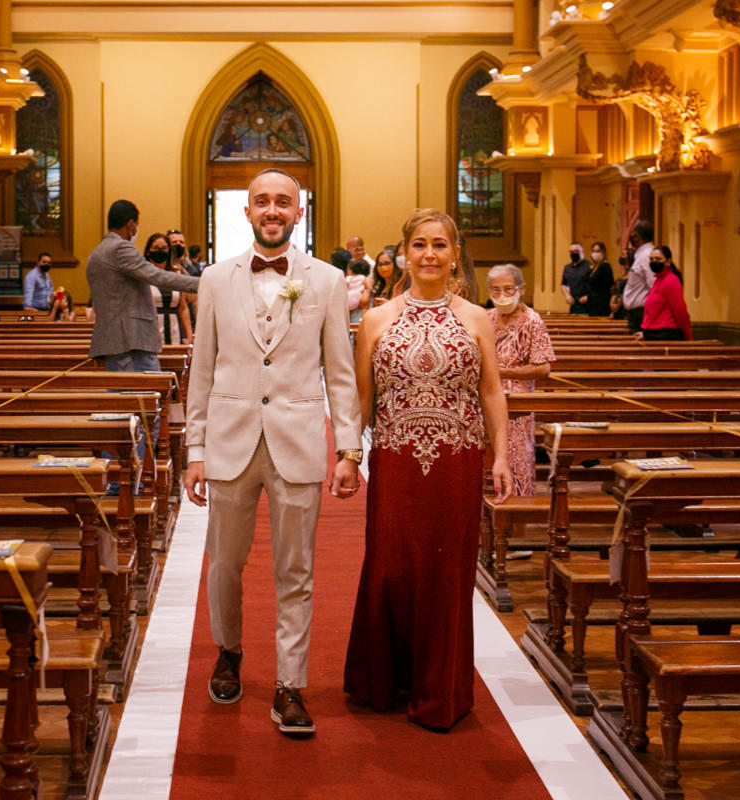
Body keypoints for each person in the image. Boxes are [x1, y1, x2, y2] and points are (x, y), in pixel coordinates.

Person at [183, 168, 361, 737]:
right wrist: (195, 448)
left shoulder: (328, 281)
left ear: (299, 212)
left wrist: (349, 449)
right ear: (247, 211)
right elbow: (202, 368)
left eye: (283, 201)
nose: (272, 209)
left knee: (297, 570)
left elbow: (340, 372)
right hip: (231, 440)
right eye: (262, 201)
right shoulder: (214, 278)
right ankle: (229, 651)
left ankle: (290, 685)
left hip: (298, 439)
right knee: (225, 565)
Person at [344, 208, 513, 731]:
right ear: (404, 253)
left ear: (455, 254)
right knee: (392, 567)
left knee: (446, 572)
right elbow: (360, 400)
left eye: (440, 244)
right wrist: (349, 456)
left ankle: (438, 688)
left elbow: (491, 390)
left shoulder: (476, 318)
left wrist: (501, 453)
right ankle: (385, 678)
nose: (430, 254)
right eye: (420, 244)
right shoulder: (376, 319)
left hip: (457, 461)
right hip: (395, 459)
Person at [87, 200, 199, 372]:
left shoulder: (97, 252)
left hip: (115, 342)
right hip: (132, 343)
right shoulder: (120, 248)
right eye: (136, 225)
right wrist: (204, 282)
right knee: (142, 395)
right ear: (131, 225)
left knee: (124, 396)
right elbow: (158, 276)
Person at [485, 263, 555, 496]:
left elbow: (543, 367)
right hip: (486, 400)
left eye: (507, 289)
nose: (502, 296)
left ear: (520, 289)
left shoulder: (532, 321)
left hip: (518, 403)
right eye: (496, 290)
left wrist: (504, 372)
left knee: (516, 460)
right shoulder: (487, 318)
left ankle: (515, 515)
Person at [144, 232, 193, 344]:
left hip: (174, 331)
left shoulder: (176, 275)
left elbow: (183, 308)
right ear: (148, 251)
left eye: (164, 248)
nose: (160, 251)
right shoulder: (143, 275)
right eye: (156, 248)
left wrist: (189, 335)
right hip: (149, 332)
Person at [636, 245, 690, 341]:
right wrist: (646, 333)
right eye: (651, 259)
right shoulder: (658, 280)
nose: (654, 262)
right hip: (653, 334)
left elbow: (679, 310)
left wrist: (687, 334)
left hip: (666, 335)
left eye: (658, 259)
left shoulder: (671, 280)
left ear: (668, 261)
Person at [622, 220, 655, 333]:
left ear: (638, 235)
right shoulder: (641, 254)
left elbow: (653, 285)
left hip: (641, 312)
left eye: (633, 233)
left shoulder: (647, 255)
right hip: (635, 313)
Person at [584, 241, 616, 317]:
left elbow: (609, 286)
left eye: (598, 251)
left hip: (601, 303)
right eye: (593, 251)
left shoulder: (605, 266)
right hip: (592, 303)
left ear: (603, 252)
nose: (595, 254)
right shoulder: (592, 268)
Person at [560, 242, 589, 314]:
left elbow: (597, 286)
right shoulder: (567, 268)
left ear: (582, 252)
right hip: (574, 305)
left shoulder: (589, 266)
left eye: (576, 251)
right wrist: (567, 295)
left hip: (588, 305)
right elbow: (564, 284)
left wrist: (588, 296)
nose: (574, 253)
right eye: (571, 252)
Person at [346, 258, 370, 324]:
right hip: (359, 295)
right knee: (364, 308)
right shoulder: (364, 278)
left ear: (350, 270)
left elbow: (346, 286)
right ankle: (363, 320)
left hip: (349, 296)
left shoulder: (348, 278)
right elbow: (368, 287)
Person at [610, 254, 629, 320]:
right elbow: (615, 293)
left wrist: (616, 306)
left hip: (625, 311)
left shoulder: (632, 276)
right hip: (617, 312)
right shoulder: (621, 278)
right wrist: (613, 306)